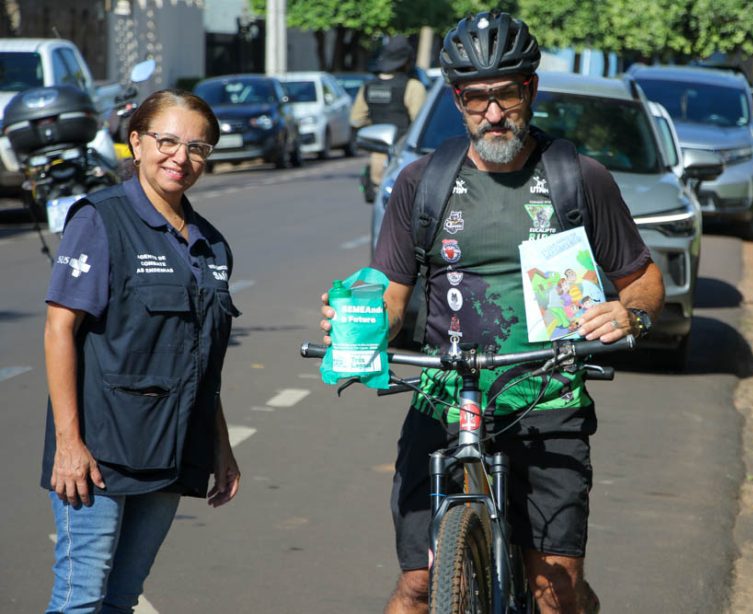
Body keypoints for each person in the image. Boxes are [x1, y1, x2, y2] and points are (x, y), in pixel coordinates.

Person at [322, 10, 664, 613]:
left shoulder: (579, 179)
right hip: (445, 396)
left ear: (529, 90)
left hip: (547, 397)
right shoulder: (421, 183)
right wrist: (362, 320)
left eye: (505, 94)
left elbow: (643, 280)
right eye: (476, 99)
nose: (494, 113)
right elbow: (394, 297)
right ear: (457, 99)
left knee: (553, 590)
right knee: (419, 586)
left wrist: (627, 314)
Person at [41, 89, 241, 613]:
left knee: (119, 601)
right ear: (136, 141)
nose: (182, 157)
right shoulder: (100, 220)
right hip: (99, 452)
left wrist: (219, 444)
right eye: (167, 141)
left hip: (170, 451)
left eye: (199, 147)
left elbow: (203, 361)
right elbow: (59, 329)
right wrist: (69, 444)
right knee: (79, 603)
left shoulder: (212, 245)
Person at [350, 35, 427, 202]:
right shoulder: (413, 87)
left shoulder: (368, 86)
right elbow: (421, 125)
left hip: (378, 162)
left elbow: (356, 120)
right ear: (407, 60)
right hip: (407, 159)